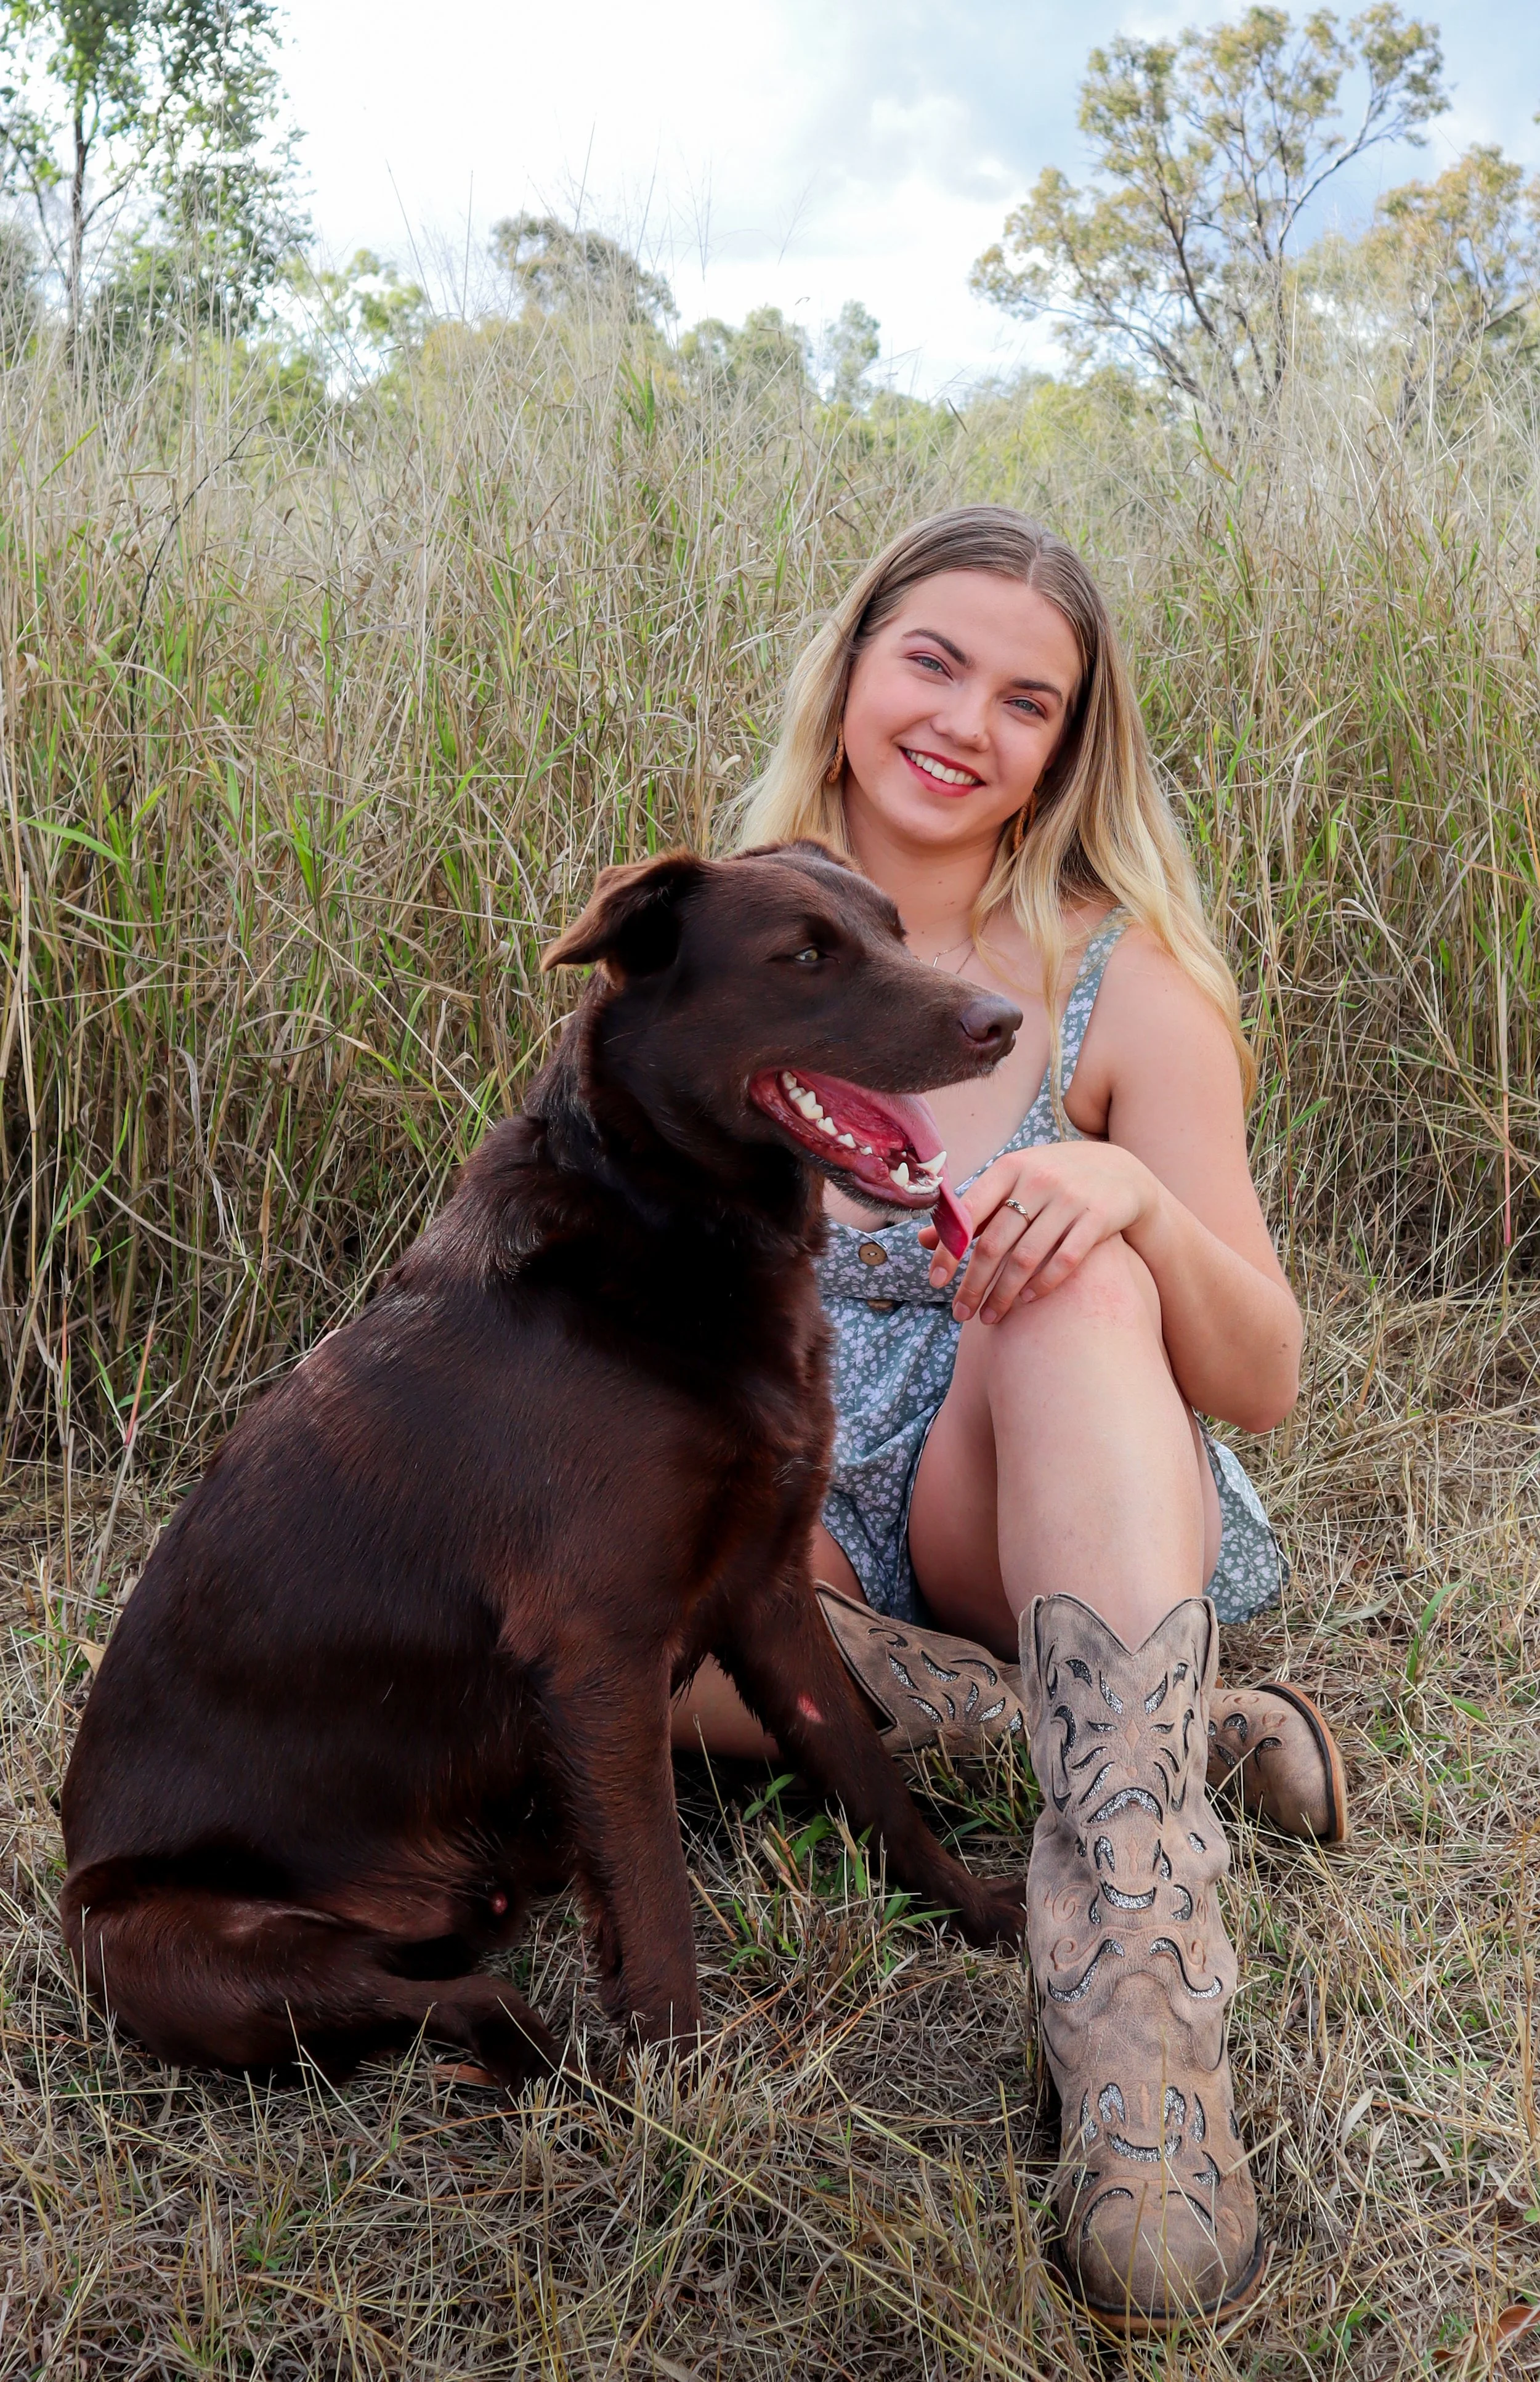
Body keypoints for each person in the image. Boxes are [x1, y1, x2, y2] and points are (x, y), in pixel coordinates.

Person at [671, 506, 1346, 2333]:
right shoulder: (722, 937)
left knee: (1070, 1272)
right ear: (853, 667)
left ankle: (1137, 2007)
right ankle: (1136, 1728)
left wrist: (1131, 1201)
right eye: (934, 661)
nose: (966, 722)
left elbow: (1266, 1376)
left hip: (1031, 1476)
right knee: (573, 1620)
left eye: (1027, 701)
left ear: (1065, 748)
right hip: (795, 1514)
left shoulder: (1125, 978)